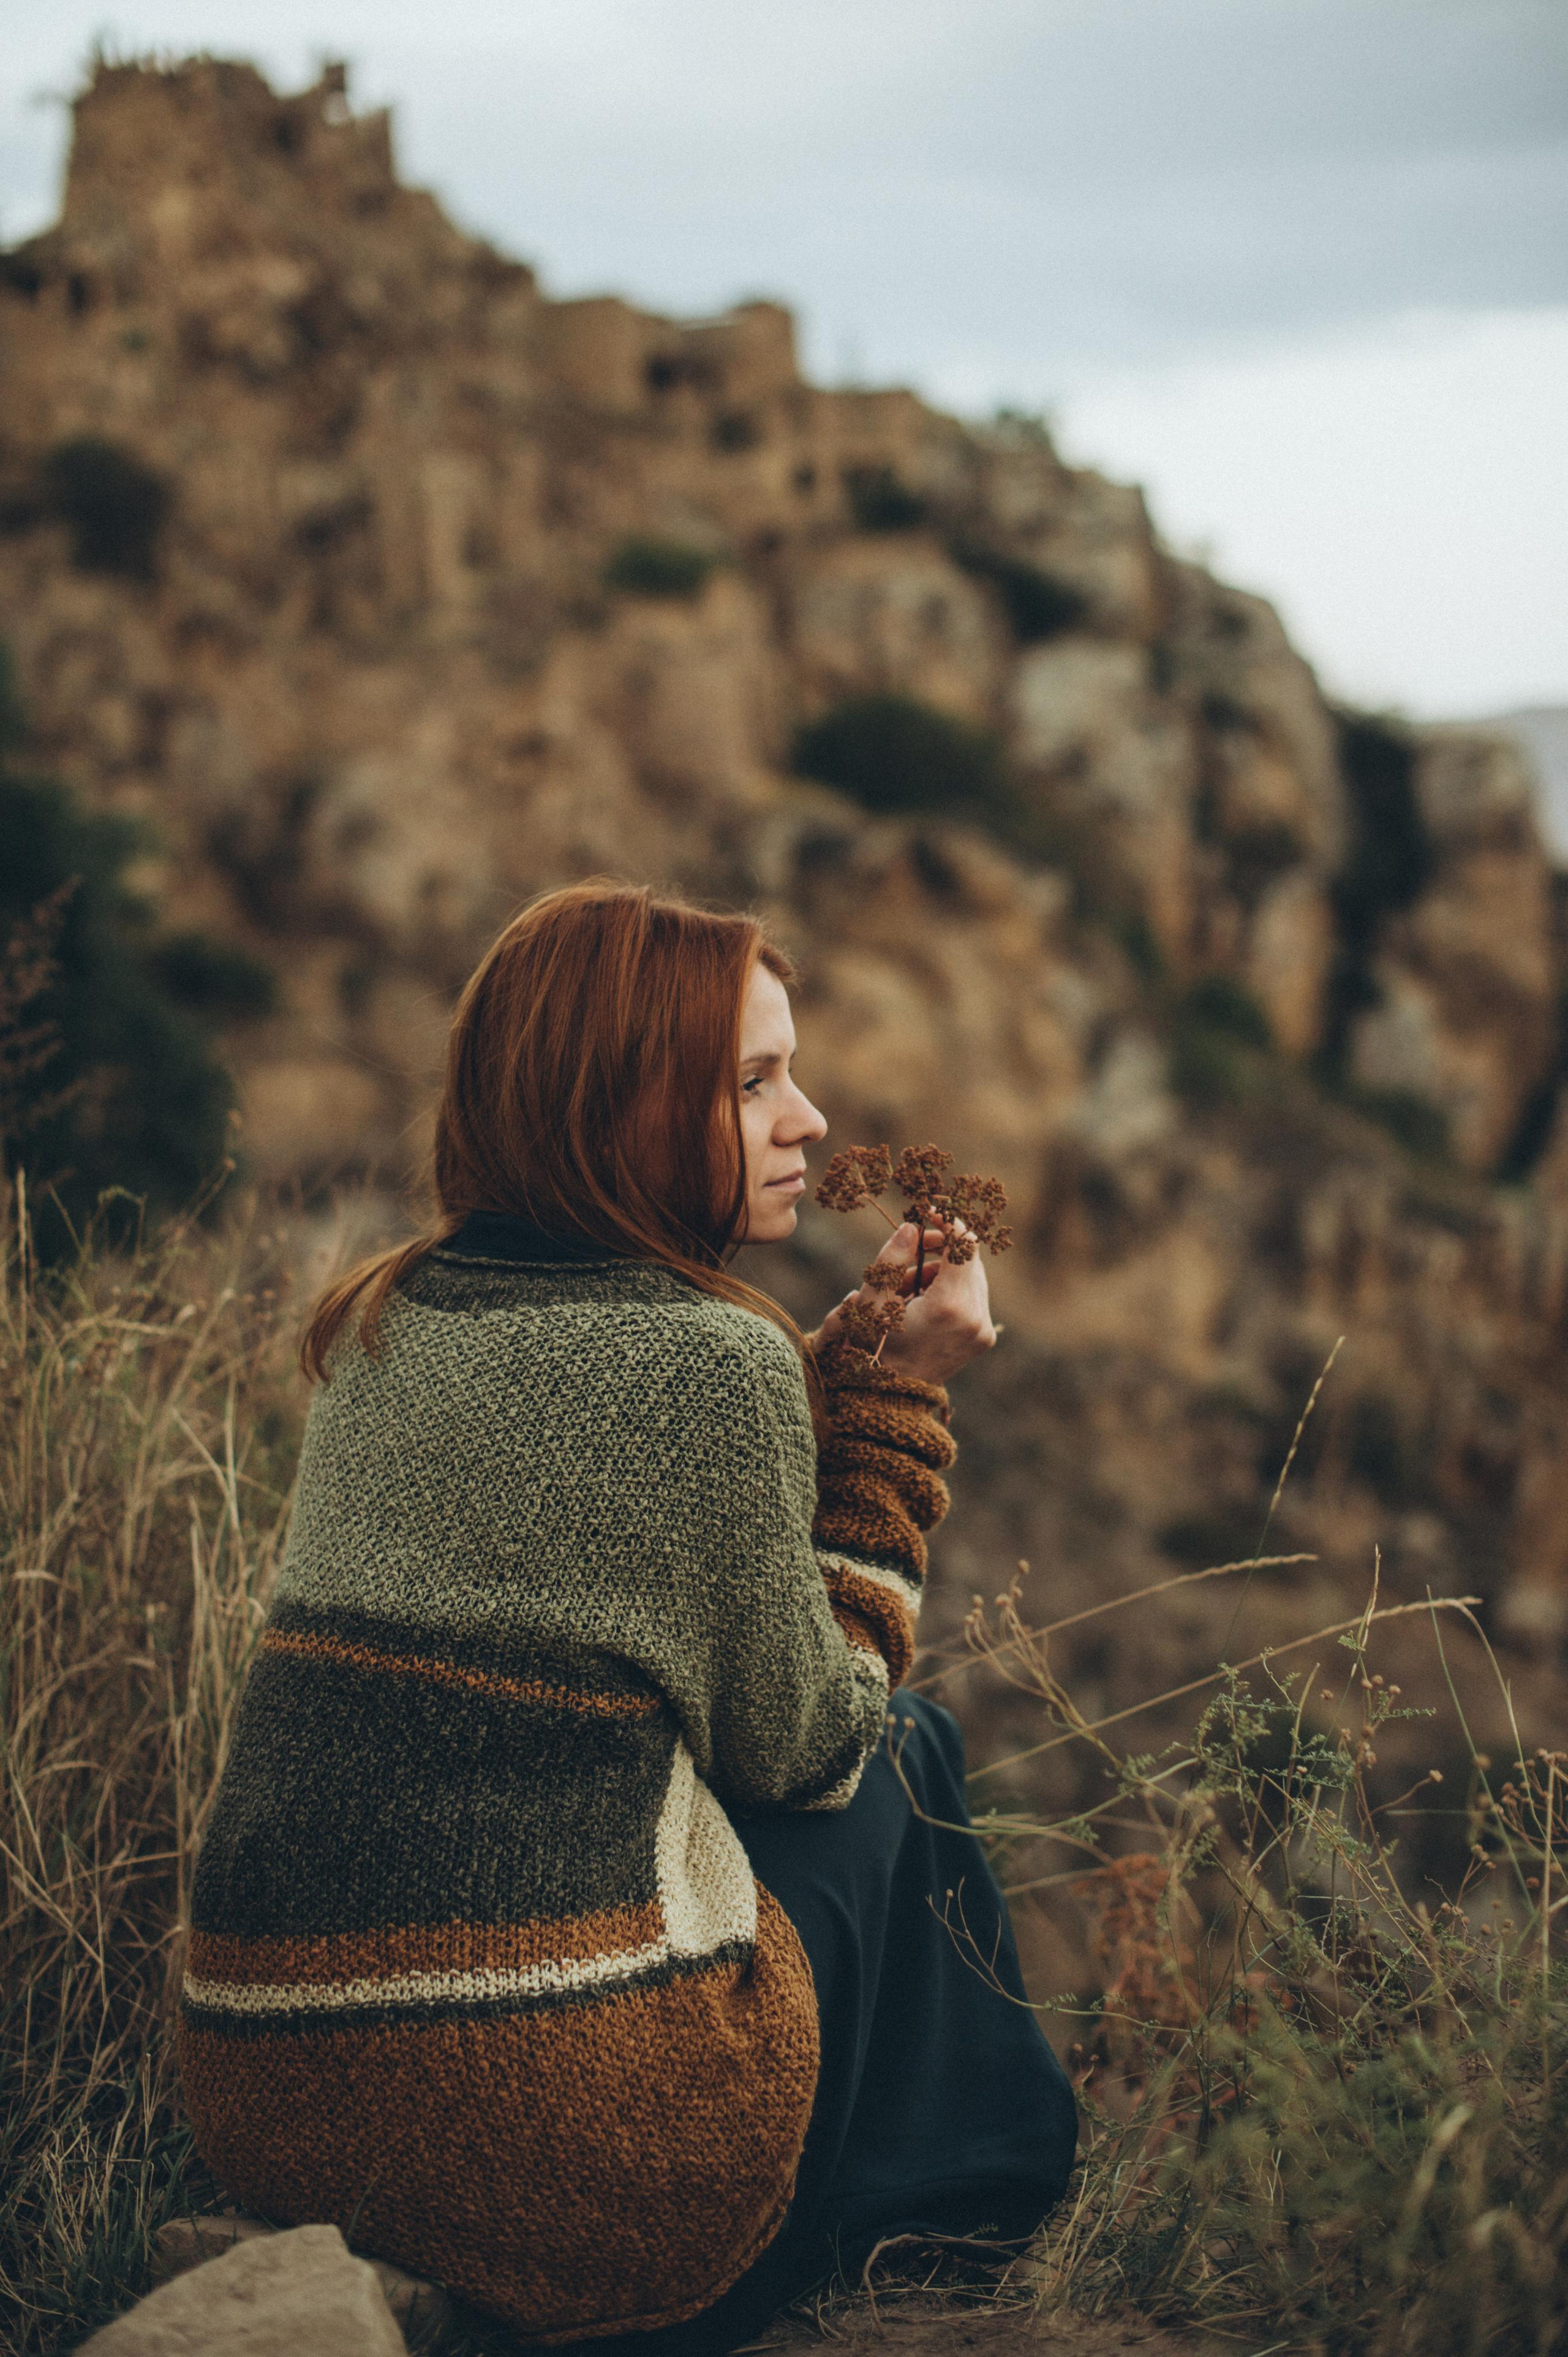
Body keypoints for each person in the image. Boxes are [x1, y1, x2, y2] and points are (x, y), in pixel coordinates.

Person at [176, 882, 1077, 2351]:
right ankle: (948, 2225)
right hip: (570, 2154)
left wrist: (831, 1366)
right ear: (616, 1106)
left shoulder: (385, 1315)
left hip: (268, 2088)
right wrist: (901, 1407)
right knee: (903, 1745)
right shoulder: (707, 1363)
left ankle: (948, 2193)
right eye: (751, 1081)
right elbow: (804, 1753)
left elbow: (665, 1583)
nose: (808, 1118)